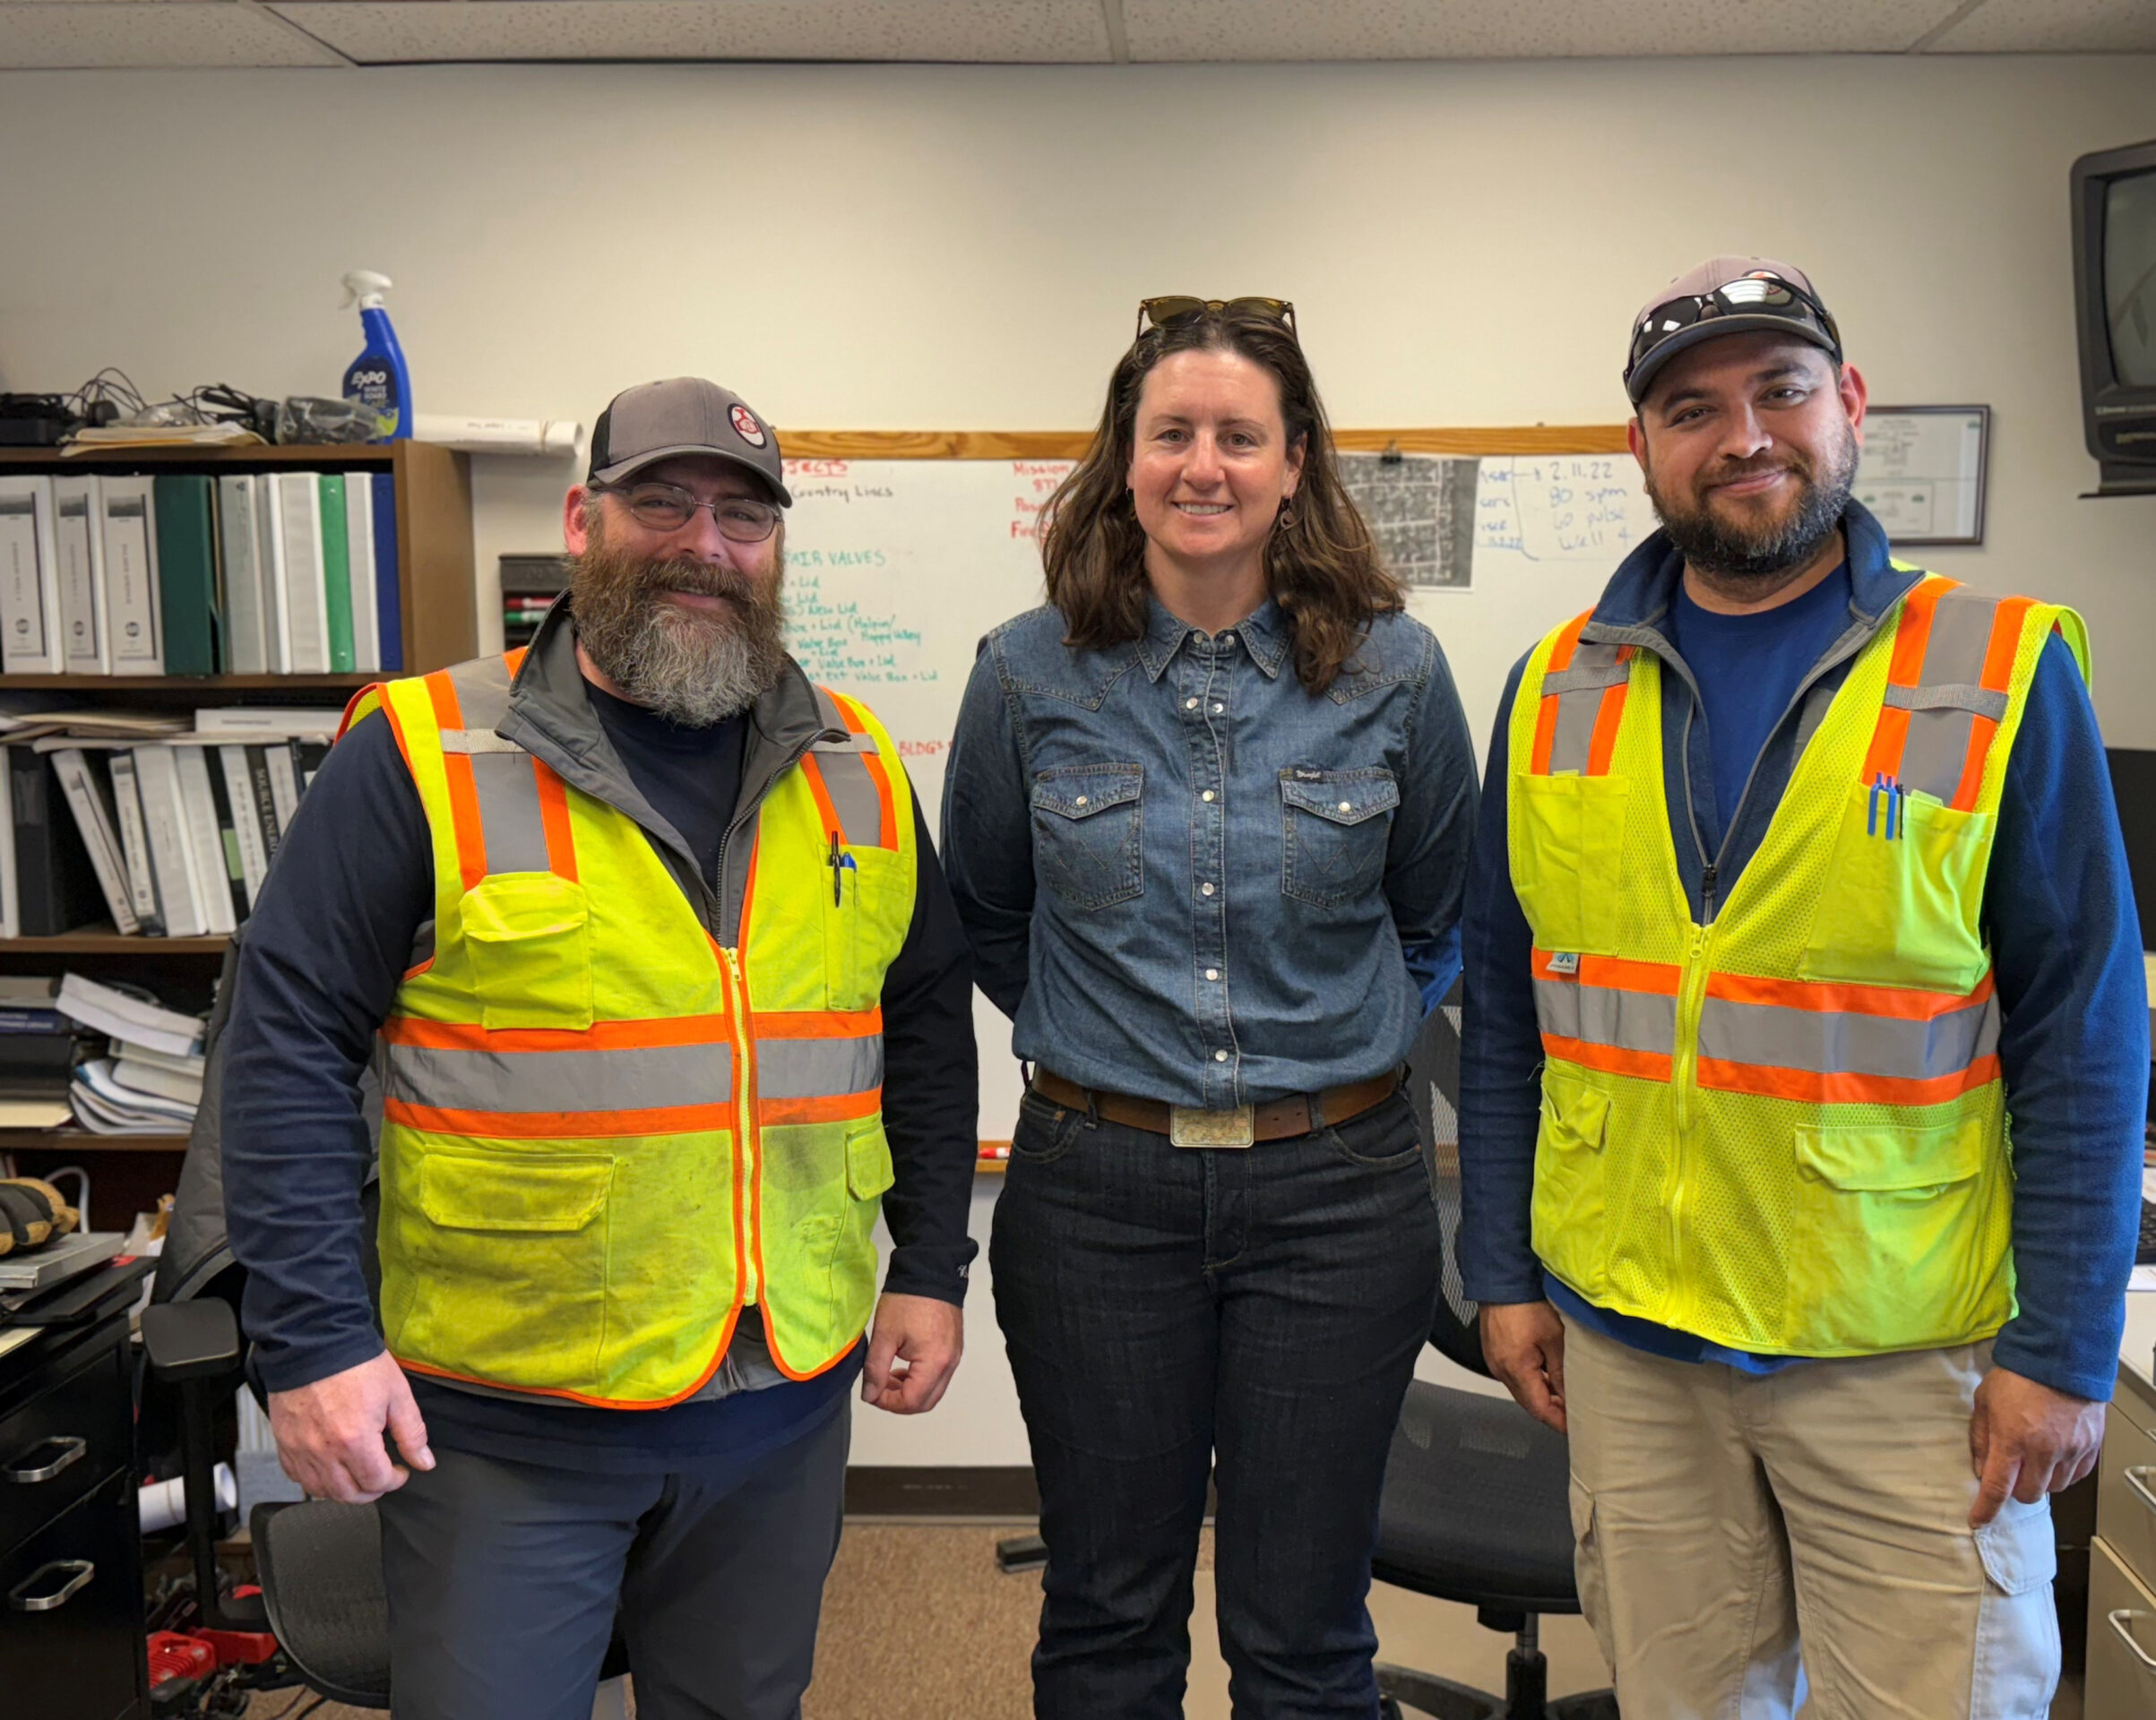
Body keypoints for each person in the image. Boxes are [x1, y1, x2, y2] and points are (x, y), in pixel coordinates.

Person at [220, 376, 980, 1720]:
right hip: (508, 1420)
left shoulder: (854, 764)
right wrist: (311, 1342)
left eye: (745, 515)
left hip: (779, 1404)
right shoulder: (424, 750)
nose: (706, 542)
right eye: (664, 502)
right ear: (584, 520)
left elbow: (917, 1021)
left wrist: (929, 1264)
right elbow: (282, 1048)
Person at [1459, 259, 2147, 1716]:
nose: (1744, 435)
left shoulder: (1996, 671)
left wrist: (2067, 1348)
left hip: (1900, 1353)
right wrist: (1503, 1276)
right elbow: (1514, 1018)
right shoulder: (1552, 690)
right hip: (1635, 1349)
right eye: (1691, 407)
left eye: (1779, 390)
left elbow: (2083, 1028)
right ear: (1639, 448)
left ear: (1848, 405)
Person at [942, 297, 1479, 1717]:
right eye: (1171, 432)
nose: (1204, 465)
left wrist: (1320, 1041)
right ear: (1125, 456)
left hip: (1340, 1193)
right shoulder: (1025, 672)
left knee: (1304, 1630)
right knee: (1108, 1612)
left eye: (1239, 436)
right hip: (1096, 1194)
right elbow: (990, 920)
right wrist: (1122, 1041)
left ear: (1295, 463)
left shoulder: (1397, 674)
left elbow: (1435, 920)